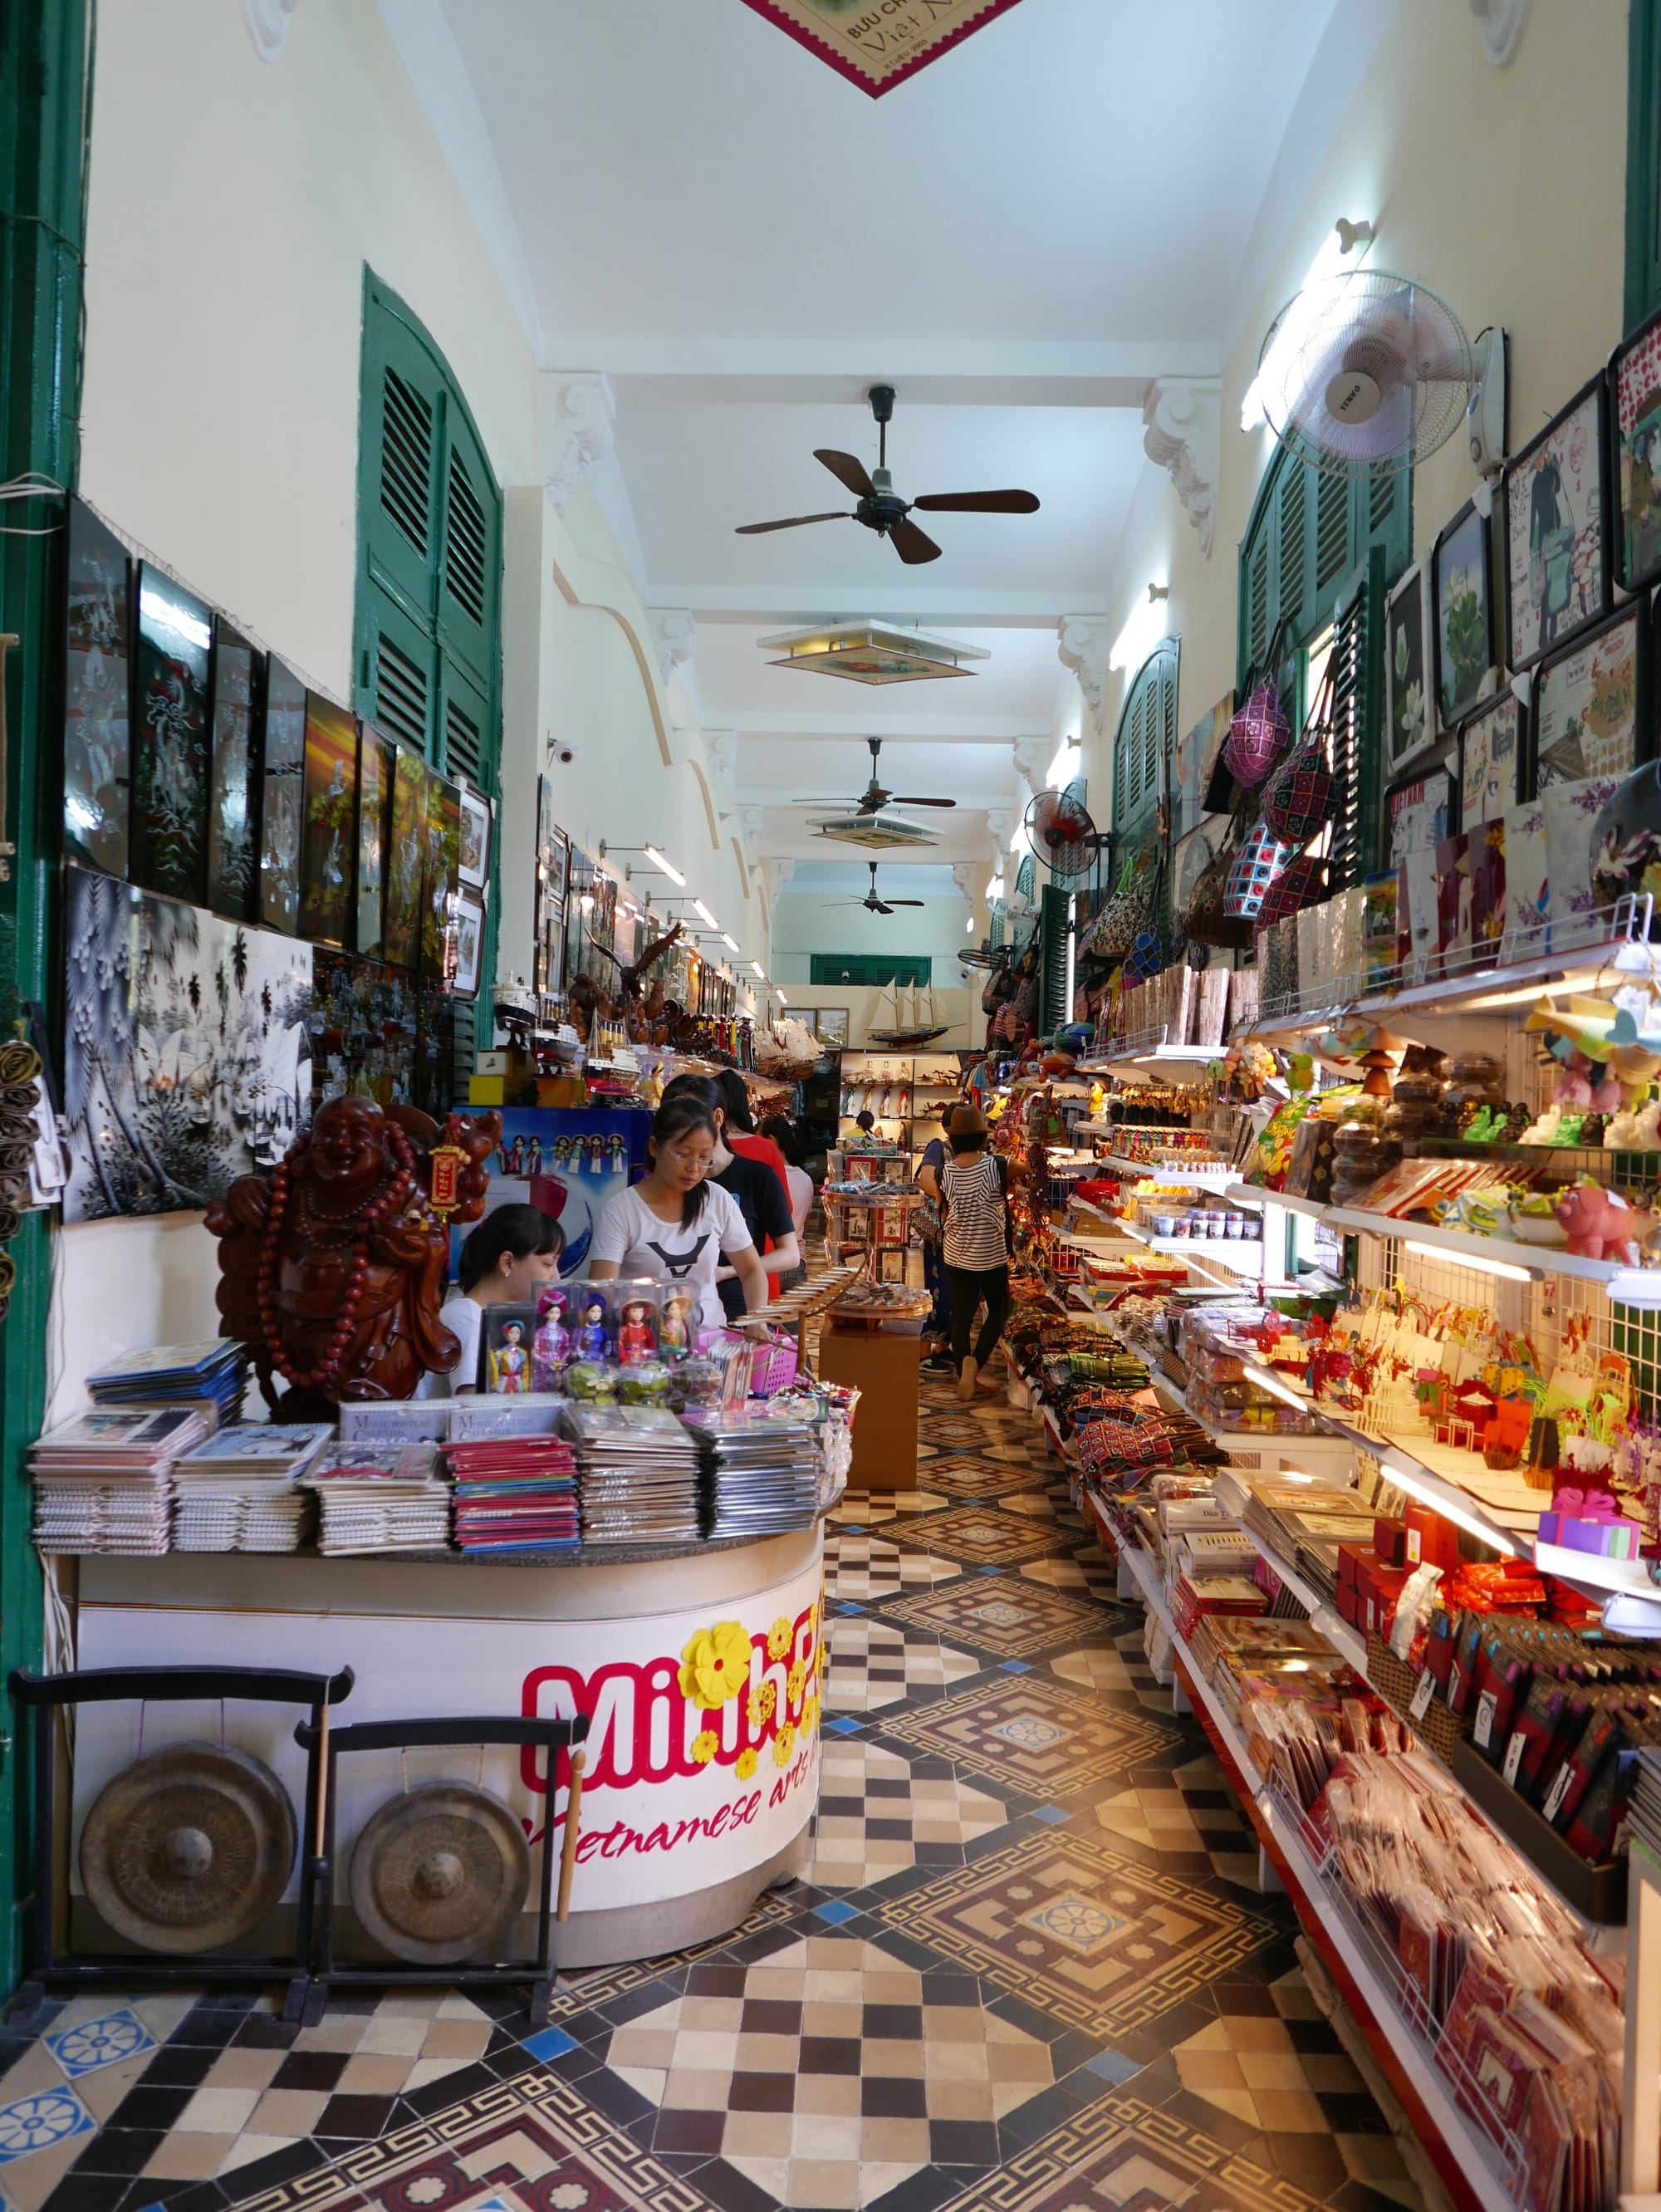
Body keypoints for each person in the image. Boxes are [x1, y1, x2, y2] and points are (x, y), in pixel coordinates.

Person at [590, 1093, 767, 1332]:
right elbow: (603, 1289)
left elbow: (752, 1270)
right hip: (643, 1347)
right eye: (682, 1155)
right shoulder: (622, 1210)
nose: (694, 1168)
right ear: (654, 1147)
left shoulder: (717, 1201)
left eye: (704, 1157)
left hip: (710, 1342)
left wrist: (757, 1320)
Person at [661, 1073, 798, 1317]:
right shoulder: (669, 1181)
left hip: (740, 1308)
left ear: (717, 1118)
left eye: (691, 1116)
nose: (681, 1130)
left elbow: (790, 1254)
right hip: (676, 1312)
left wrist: (731, 1271)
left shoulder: (756, 1176)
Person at [417, 1202, 564, 1396]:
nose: (557, 1277)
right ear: (507, 1262)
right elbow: (475, 1410)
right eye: (548, 1264)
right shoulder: (469, 1318)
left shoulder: (495, 1316)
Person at [941, 1104, 1011, 1402]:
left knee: (962, 1315)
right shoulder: (995, 1166)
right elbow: (1025, 1168)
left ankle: (964, 1369)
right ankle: (976, 1363)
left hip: (955, 1252)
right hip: (989, 1253)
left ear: (954, 1139)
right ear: (983, 1138)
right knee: (1000, 1308)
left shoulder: (947, 1171)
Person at [916, 1105, 957, 1369]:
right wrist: (948, 1201)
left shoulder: (962, 1153)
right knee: (939, 1291)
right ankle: (922, 1351)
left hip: (956, 1233)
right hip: (939, 1232)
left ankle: (943, 1345)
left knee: (953, 1293)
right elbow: (925, 1180)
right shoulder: (938, 1148)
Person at [761, 1111, 815, 1291]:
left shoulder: (765, 1177)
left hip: (769, 1260)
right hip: (797, 1262)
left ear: (771, 1140)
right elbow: (803, 1224)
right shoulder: (805, 1179)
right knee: (793, 1318)